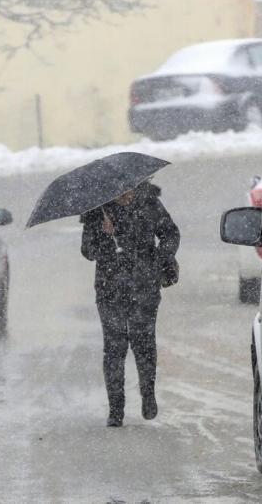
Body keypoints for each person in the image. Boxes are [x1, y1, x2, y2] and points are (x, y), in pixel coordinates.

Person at [80, 181, 180, 427]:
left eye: (129, 190)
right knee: (114, 347)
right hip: (109, 288)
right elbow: (88, 251)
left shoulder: (149, 203)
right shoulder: (97, 211)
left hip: (144, 286)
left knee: (143, 342)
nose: (125, 195)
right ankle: (116, 409)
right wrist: (103, 234)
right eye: (119, 192)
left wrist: (159, 259)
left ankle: (148, 394)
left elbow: (170, 233)